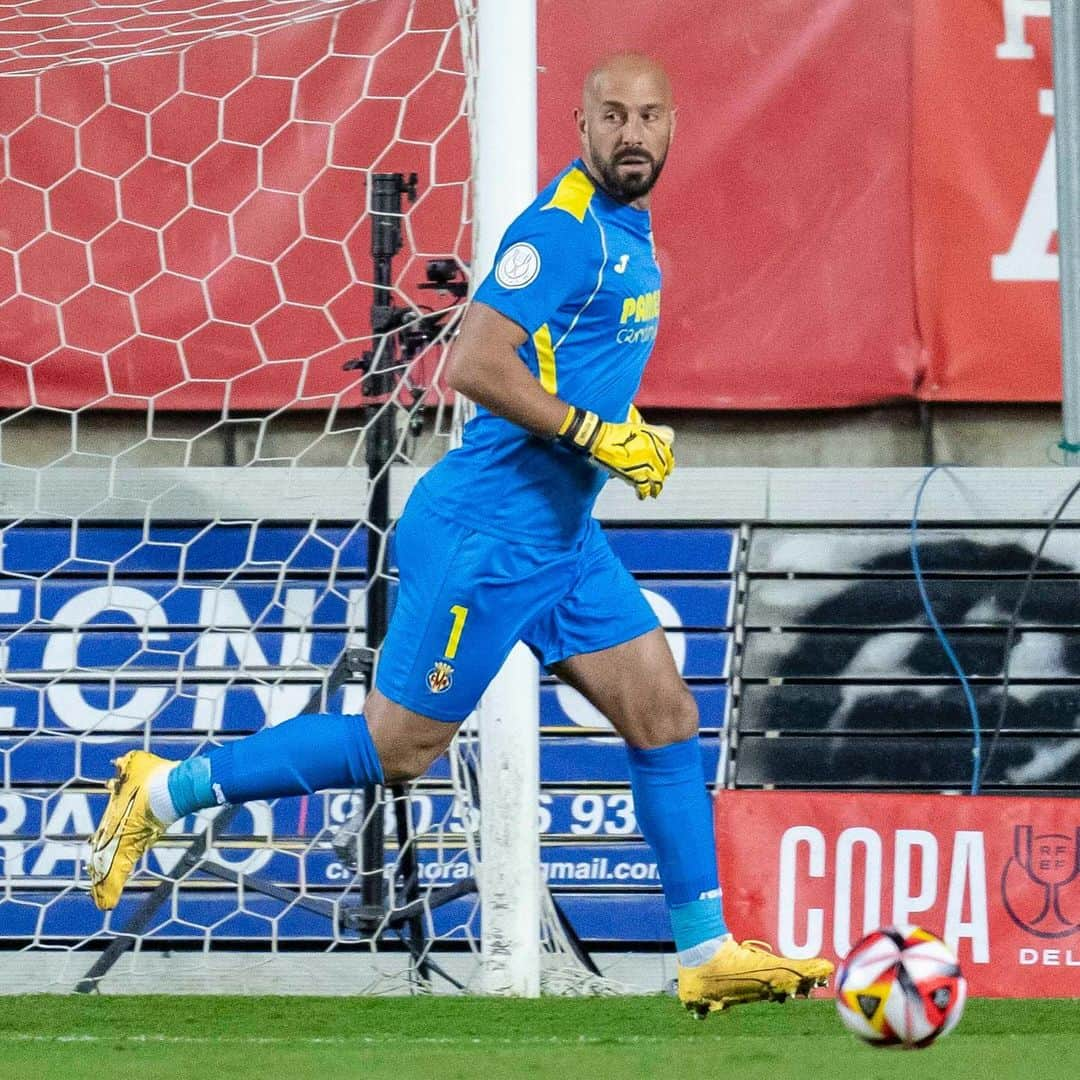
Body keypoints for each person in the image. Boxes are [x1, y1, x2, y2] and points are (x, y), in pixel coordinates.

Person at [88, 52, 833, 1015]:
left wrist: (619, 433)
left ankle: (704, 951)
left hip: (559, 539)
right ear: (580, 122)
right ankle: (158, 794)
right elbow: (476, 362)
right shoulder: (558, 233)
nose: (633, 133)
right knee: (399, 748)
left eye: (650, 115)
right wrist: (595, 432)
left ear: (675, 125)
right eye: (613, 115)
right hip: (483, 537)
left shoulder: (629, 229)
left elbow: (574, 367)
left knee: (665, 717)